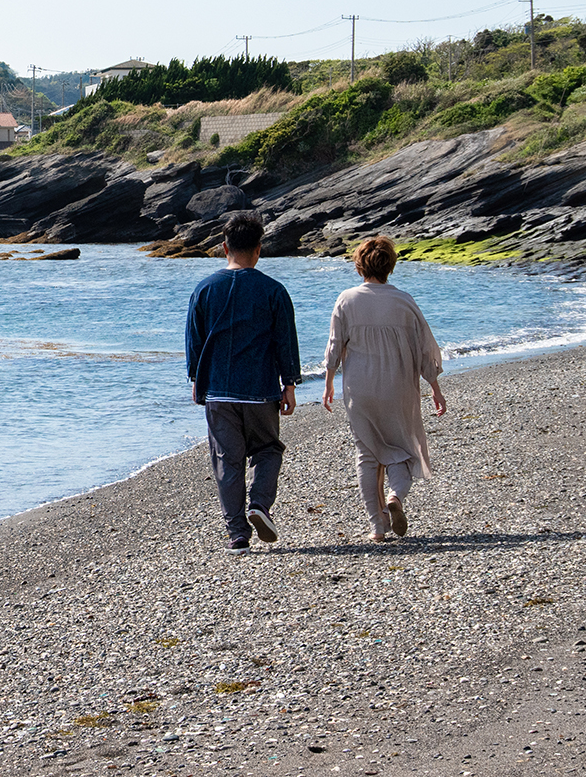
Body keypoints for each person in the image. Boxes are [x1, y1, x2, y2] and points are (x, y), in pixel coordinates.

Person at [185, 210, 300, 553]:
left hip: (219, 390)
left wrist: (196, 379)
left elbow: (194, 341)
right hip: (260, 389)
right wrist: (290, 383)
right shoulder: (273, 290)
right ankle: (259, 505)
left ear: (224, 248)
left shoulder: (205, 289)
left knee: (227, 460)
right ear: (259, 249)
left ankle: (237, 534)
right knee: (268, 450)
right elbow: (285, 340)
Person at [322, 236, 448, 543]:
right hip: (399, 386)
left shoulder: (346, 299)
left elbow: (335, 347)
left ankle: (377, 527)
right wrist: (434, 386)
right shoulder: (404, 300)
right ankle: (395, 496)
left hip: (359, 388)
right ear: (390, 265)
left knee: (367, 453)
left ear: (359, 265)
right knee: (403, 449)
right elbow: (425, 348)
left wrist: (328, 381)